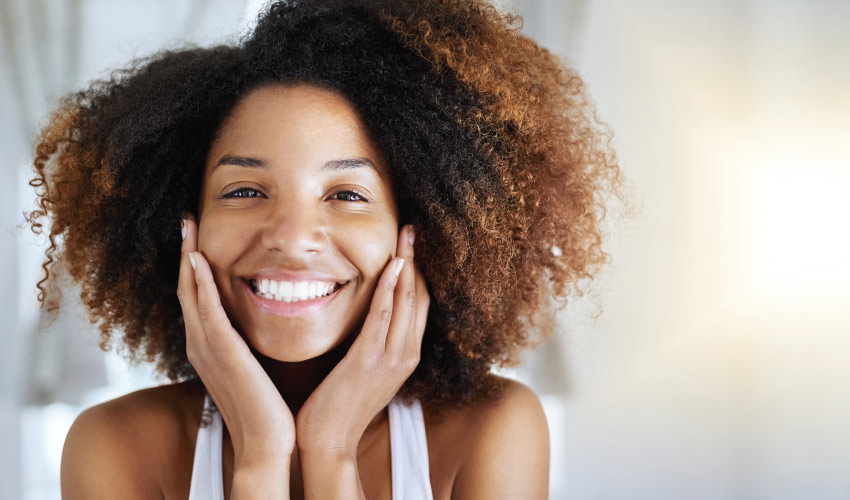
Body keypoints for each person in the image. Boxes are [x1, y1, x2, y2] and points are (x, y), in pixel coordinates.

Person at [28, 0, 620, 498]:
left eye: (345, 193)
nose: (290, 236)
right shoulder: (115, 446)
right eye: (244, 190)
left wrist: (332, 453)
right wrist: (260, 460)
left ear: (421, 229)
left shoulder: (492, 430)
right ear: (181, 225)